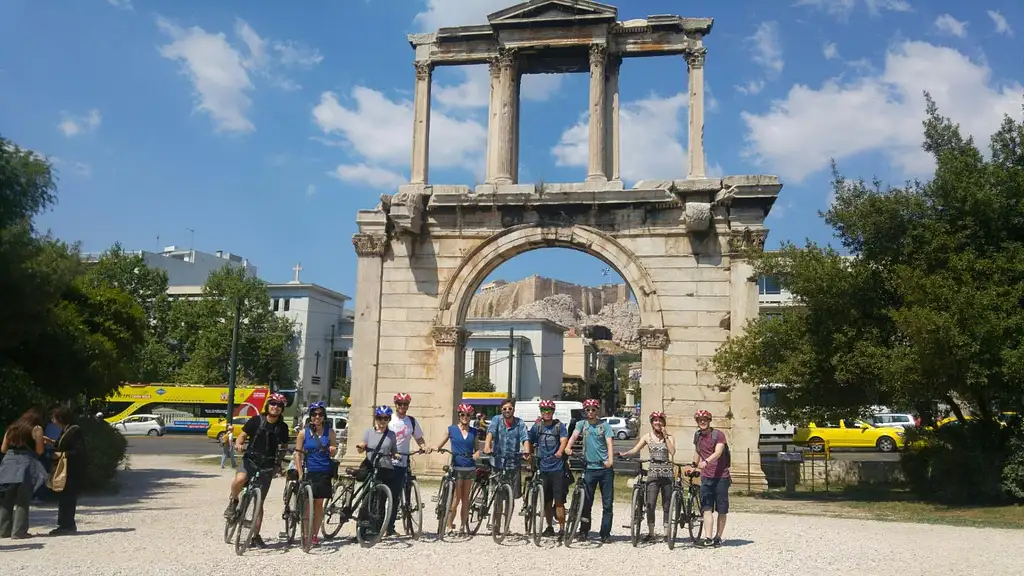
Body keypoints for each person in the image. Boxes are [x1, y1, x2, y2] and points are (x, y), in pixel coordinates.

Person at [223, 393, 290, 549]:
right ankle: (234, 501)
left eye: (279, 405)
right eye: (273, 403)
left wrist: (278, 464)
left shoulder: (282, 427)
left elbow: (284, 446)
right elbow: (242, 436)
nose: (276, 407)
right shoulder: (256, 420)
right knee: (240, 480)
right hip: (250, 460)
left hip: (267, 465)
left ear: (282, 409)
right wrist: (239, 444)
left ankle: (255, 535)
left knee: (259, 503)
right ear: (268, 405)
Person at [617, 410, 675, 541]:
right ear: (651, 422)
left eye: (660, 420)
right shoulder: (647, 437)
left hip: (667, 473)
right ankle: (651, 532)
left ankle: (666, 533)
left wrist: (665, 437)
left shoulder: (670, 437)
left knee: (667, 504)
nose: (657, 422)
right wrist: (625, 454)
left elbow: (672, 452)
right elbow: (635, 449)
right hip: (653, 473)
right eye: (655, 420)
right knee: (650, 503)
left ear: (664, 422)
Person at [564, 398, 614, 543]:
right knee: (586, 502)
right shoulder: (582, 424)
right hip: (589, 467)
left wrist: (610, 461)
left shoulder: (604, 426)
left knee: (607, 503)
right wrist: (568, 447)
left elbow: (609, 443)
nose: (590, 412)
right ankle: (583, 531)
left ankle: (605, 533)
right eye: (588, 409)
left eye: (593, 409)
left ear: (597, 410)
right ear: (585, 411)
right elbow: (573, 436)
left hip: (604, 468)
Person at [293, 401, 337, 547]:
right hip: (309, 471)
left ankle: (314, 535)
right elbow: (298, 455)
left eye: (320, 414)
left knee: (319, 504)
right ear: (310, 417)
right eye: (314, 414)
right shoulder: (303, 433)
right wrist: (300, 474)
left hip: (323, 470)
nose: (317, 417)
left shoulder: (329, 432)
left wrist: (332, 449)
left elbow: (334, 449)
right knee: (307, 505)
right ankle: (305, 534)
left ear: (324, 416)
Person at [432, 403, 481, 536]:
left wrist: (477, 454)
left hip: (469, 467)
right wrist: (435, 447)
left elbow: (476, 449)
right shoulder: (451, 429)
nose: (465, 417)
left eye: (468, 415)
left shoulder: (474, 432)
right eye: (463, 414)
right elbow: (440, 443)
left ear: (471, 417)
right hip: (457, 466)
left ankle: (463, 527)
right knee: (456, 497)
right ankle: (449, 525)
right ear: (459, 415)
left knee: (466, 498)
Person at [685, 409, 730, 547]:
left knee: (721, 509)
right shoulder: (697, 435)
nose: (702, 421)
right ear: (697, 422)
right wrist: (693, 465)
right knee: (707, 507)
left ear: (709, 420)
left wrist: (706, 462)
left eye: (705, 419)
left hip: (721, 477)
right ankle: (708, 538)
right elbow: (697, 452)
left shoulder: (718, 435)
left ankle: (718, 537)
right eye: (699, 420)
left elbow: (718, 452)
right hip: (706, 477)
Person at [0, 407, 47, 539]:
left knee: (6, 499)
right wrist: (42, 442)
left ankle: (3, 530)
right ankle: (19, 532)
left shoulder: (12, 428)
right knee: (22, 499)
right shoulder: (37, 429)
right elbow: (39, 451)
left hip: (8, 463)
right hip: (26, 464)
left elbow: (3, 449)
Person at [483, 397, 530, 528]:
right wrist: (487, 446)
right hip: (498, 462)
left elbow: (525, 438)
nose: (507, 411)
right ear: (501, 410)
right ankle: (496, 523)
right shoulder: (496, 420)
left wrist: (526, 451)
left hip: (513, 463)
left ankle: (506, 525)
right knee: (498, 496)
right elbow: (490, 433)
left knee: (510, 498)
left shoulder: (520, 423)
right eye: (504, 409)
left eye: (510, 408)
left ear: (514, 410)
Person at [386, 392, 427, 536]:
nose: (402, 406)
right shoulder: (388, 419)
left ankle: (389, 527)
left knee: (396, 496)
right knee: (382, 494)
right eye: (400, 404)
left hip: (402, 462)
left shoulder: (411, 421)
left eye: (405, 404)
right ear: (395, 404)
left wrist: (423, 446)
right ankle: (376, 524)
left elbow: (419, 438)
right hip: (386, 461)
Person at [528, 400, 568, 540]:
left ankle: (562, 528)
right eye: (544, 410)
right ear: (541, 412)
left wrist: (560, 451)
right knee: (546, 500)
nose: (546, 413)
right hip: (543, 467)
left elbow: (564, 440)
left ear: (553, 412)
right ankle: (549, 526)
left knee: (558, 501)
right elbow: (529, 440)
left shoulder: (559, 426)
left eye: (549, 410)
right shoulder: (537, 427)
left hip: (557, 468)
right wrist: (529, 456)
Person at [48, 406, 86, 536]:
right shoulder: (65, 430)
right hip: (63, 468)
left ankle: (68, 525)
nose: (53, 421)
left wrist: (61, 455)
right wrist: (52, 442)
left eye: (55, 418)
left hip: (71, 469)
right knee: (63, 497)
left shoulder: (74, 430)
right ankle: (63, 524)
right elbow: (63, 444)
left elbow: (79, 450)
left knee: (68, 497)